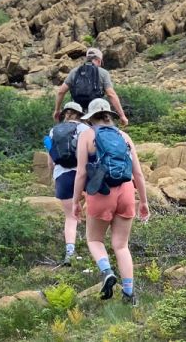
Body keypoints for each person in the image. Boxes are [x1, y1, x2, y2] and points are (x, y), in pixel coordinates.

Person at [72, 98, 150, 305]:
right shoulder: (124, 136)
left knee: (95, 240)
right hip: (126, 191)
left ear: (91, 118)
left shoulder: (87, 136)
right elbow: (139, 174)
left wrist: (75, 202)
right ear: (109, 116)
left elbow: (81, 173)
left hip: (101, 192)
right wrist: (143, 201)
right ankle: (129, 294)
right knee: (121, 245)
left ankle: (107, 272)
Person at [45, 101, 89, 266]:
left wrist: (52, 177)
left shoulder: (53, 131)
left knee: (70, 217)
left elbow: (51, 161)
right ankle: (95, 248)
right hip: (83, 174)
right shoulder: (85, 130)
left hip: (62, 176)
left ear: (65, 114)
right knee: (91, 211)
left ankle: (70, 253)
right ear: (80, 114)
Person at [53, 48, 129, 126]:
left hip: (78, 113)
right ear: (99, 61)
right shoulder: (103, 73)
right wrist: (122, 116)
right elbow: (111, 94)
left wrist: (57, 110)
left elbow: (61, 92)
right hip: (96, 114)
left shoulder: (75, 71)